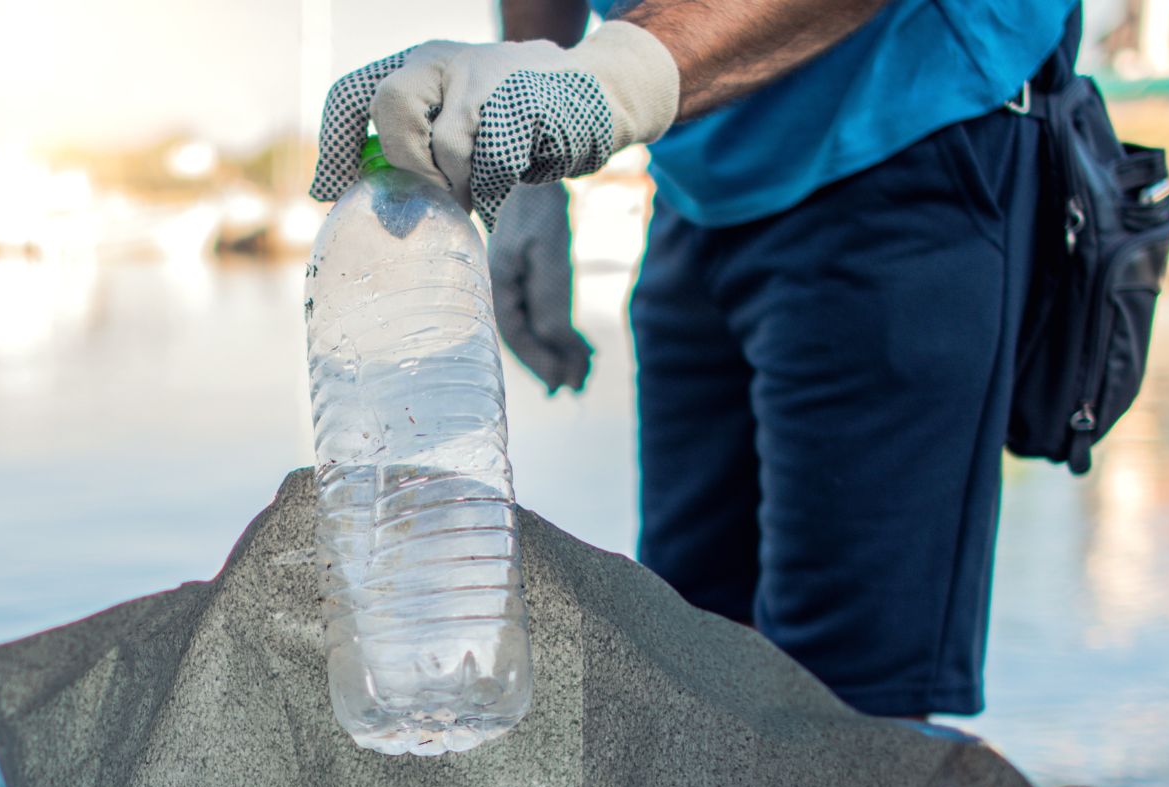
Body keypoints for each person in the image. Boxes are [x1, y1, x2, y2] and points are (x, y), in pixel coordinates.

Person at [311, 0, 1081, 719]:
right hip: (697, 172)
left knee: (839, 694)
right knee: (687, 650)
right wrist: (530, 167)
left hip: (902, 135)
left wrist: (612, 77)